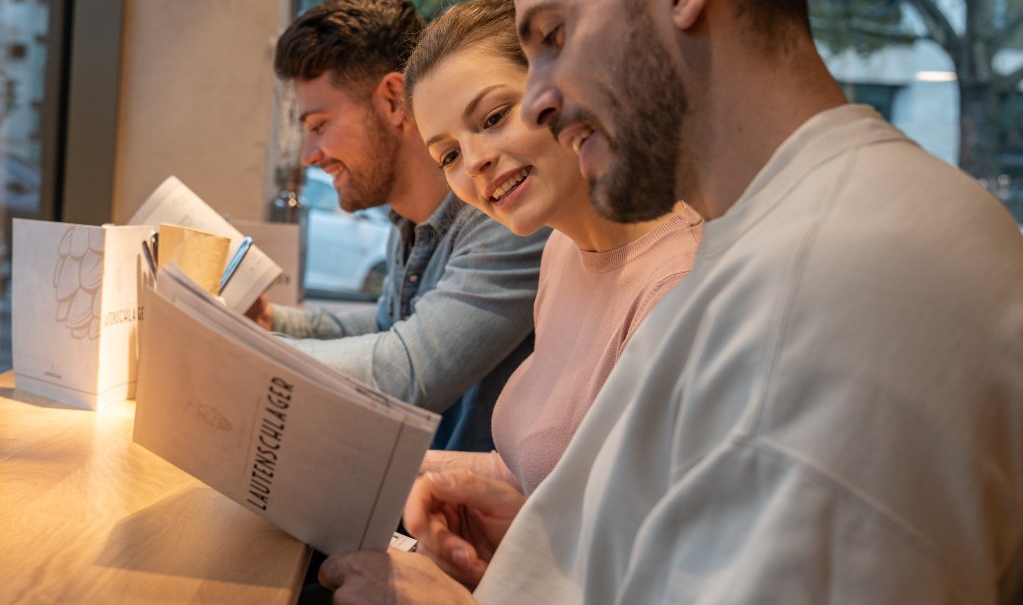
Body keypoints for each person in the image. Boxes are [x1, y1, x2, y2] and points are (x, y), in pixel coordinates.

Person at [318, 0, 1023, 602]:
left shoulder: (840, 276)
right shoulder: (759, 234)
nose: (540, 101)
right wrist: (543, 531)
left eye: (555, 37)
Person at [401, 0, 700, 497]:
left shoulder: (673, 287)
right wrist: (390, 469)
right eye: (448, 155)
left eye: (494, 117)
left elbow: (629, 548)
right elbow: (536, 477)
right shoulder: (560, 249)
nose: (474, 162)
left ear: (554, 88)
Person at [255, 0, 549, 452]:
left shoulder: (507, 214)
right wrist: (273, 320)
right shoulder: (413, 221)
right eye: (450, 153)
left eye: (319, 125)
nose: (309, 155)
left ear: (394, 99)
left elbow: (404, 371)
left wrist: (235, 351)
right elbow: (386, 326)